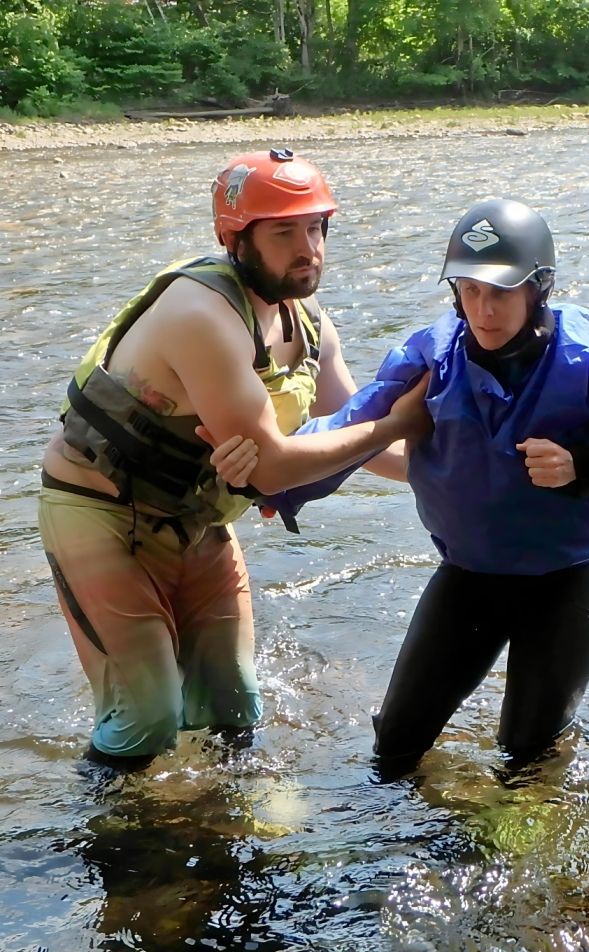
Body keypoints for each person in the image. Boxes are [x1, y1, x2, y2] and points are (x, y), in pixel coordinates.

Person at [210, 198, 589, 779]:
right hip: (470, 579)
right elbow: (355, 426)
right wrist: (275, 481)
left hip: (566, 582)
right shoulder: (431, 355)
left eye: (501, 293)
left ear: (539, 289)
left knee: (527, 753)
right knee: (394, 746)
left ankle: (534, 849)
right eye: (469, 291)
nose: (484, 311)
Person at [39, 147, 429, 768]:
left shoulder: (308, 324)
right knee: (147, 717)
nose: (309, 248)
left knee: (233, 704)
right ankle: (119, 845)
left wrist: (467, 476)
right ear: (234, 238)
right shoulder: (201, 313)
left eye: (316, 227)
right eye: (284, 233)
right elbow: (277, 468)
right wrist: (394, 423)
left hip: (195, 519)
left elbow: (359, 437)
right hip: (100, 513)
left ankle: (226, 825)